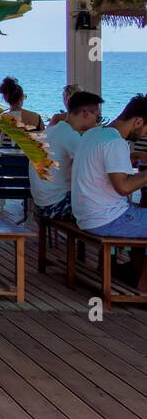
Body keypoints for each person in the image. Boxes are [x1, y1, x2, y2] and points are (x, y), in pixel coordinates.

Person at [71, 94, 147, 288]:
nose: (144, 134)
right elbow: (124, 187)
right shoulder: (116, 143)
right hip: (105, 218)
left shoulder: (93, 134)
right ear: (138, 121)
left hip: (85, 215)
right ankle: (143, 284)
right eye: (145, 129)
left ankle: (134, 270)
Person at [30, 91, 103, 220]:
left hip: (40, 202)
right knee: (108, 207)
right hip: (55, 205)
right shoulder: (70, 136)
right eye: (97, 117)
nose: (97, 122)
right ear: (86, 113)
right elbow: (93, 166)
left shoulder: (51, 131)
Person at [0, 76, 43, 148]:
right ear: (22, 97)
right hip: (29, 158)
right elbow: (43, 141)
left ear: (5, 99)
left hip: (4, 158)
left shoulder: (2, 119)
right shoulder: (37, 117)